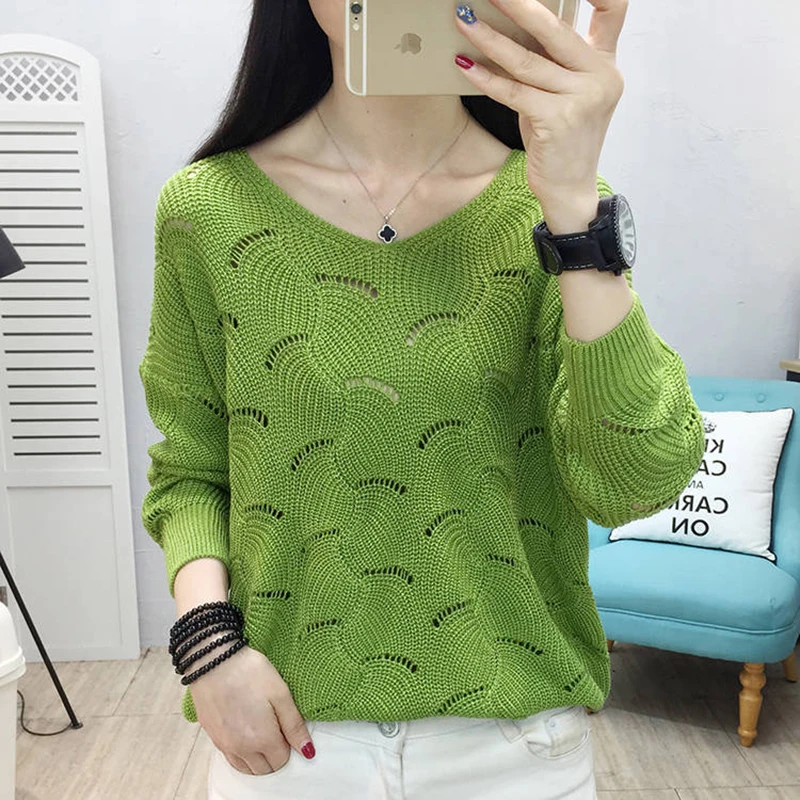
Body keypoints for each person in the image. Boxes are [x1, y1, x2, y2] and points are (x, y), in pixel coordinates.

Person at [139, 1, 705, 798]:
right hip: (291, 743)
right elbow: (192, 471)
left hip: (518, 750)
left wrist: (575, 204)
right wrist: (209, 653)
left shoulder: (551, 208)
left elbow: (634, 483)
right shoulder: (207, 209)